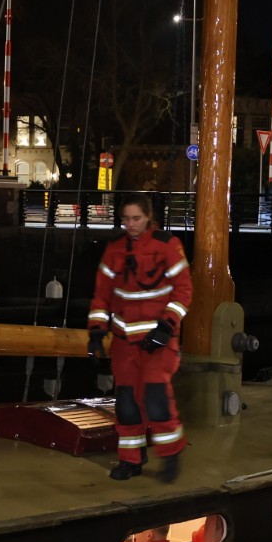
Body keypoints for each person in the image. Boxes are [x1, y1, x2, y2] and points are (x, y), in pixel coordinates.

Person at [87, 193, 191, 482]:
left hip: (158, 342)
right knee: (127, 404)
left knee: (157, 400)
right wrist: (96, 331)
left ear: (148, 218)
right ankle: (131, 460)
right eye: (126, 219)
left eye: (136, 218)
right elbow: (102, 295)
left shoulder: (167, 246)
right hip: (125, 343)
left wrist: (166, 327)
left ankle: (170, 455)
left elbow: (183, 291)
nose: (131, 224)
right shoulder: (115, 250)